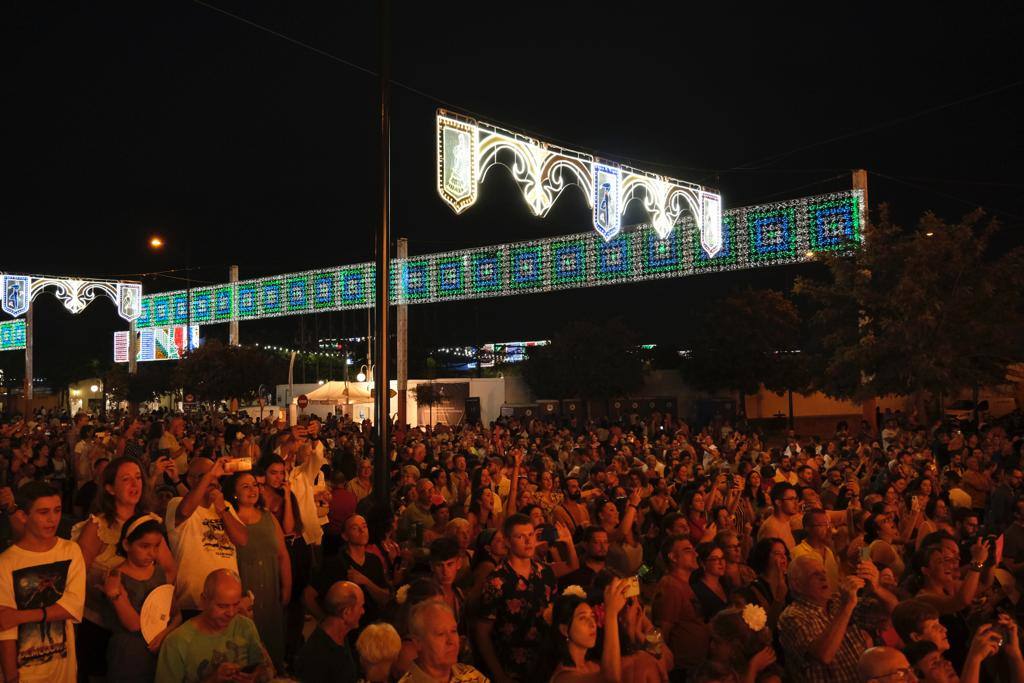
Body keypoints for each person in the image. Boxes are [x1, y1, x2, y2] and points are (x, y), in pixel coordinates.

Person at [0, 482, 86, 683]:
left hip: (62, 669)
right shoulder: (6, 563)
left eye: (57, 511)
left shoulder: (70, 551)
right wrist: (11, 676)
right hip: (24, 672)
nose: (52, 519)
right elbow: (5, 626)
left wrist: (20, 616)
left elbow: (72, 607)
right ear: (22, 516)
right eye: (43, 512)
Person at [476, 513, 556, 683]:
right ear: (507, 541)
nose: (528, 542)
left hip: (544, 665)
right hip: (510, 668)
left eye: (531, 535)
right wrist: (499, 675)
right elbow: (482, 632)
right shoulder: (497, 581)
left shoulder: (546, 573)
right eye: (520, 536)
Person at [165, 457, 249, 616]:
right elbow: (184, 512)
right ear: (190, 480)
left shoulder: (226, 507)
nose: (213, 479)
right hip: (192, 604)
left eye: (216, 476)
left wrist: (222, 509)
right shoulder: (176, 503)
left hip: (228, 603)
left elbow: (242, 540)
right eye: (206, 476)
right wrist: (210, 475)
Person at [154, 569, 271, 682]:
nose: (231, 613)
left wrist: (255, 676)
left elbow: (265, 669)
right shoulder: (177, 642)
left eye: (236, 604)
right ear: (204, 601)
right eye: (222, 606)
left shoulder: (246, 626)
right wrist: (213, 680)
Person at [101, 512, 177, 683]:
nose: (151, 553)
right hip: (129, 656)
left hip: (159, 651)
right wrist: (115, 596)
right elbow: (134, 624)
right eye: (144, 546)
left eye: (156, 546)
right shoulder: (115, 577)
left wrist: (165, 633)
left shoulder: (159, 573)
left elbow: (175, 614)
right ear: (127, 544)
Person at [228, 471, 291, 671]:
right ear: (234, 493)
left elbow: (282, 555)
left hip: (271, 589)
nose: (252, 490)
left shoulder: (268, 516)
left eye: (254, 485)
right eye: (245, 486)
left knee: (272, 641)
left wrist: (287, 586)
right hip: (245, 590)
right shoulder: (230, 519)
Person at [777, 555, 867, 683]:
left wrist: (876, 587)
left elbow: (885, 616)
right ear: (797, 585)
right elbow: (823, 655)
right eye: (815, 574)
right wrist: (846, 607)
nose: (824, 577)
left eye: (824, 572)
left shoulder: (837, 601)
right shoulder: (792, 616)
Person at [306, 514, 389, 629]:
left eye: (364, 526)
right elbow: (307, 596)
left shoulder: (374, 560)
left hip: (372, 628)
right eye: (355, 528)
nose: (362, 531)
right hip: (347, 633)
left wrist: (365, 582)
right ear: (345, 536)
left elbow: (385, 598)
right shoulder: (335, 564)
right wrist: (326, 622)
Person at [548, 579, 629, 683]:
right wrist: (611, 613)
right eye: (583, 618)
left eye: (592, 616)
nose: (592, 624)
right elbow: (610, 678)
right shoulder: (563, 678)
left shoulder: (593, 666)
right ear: (564, 630)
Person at [653, 535, 710, 678]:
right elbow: (662, 631)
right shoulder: (671, 587)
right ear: (673, 557)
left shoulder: (682, 584)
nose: (695, 554)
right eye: (687, 550)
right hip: (683, 670)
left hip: (694, 666)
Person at [399, 599, 489, 683]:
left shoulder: (471, 675)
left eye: (453, 631)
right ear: (418, 643)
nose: (451, 641)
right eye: (440, 634)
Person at [293, 581, 363, 683]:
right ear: (346, 612)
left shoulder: (341, 636)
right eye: (361, 606)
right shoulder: (317, 656)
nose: (363, 611)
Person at [791, 508, 842, 594]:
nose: (828, 529)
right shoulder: (799, 553)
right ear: (807, 528)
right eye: (822, 525)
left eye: (828, 524)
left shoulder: (828, 550)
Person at [757, 484, 798, 551]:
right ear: (778, 502)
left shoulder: (785, 521)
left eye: (796, 498)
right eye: (791, 499)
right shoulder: (771, 529)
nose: (796, 503)